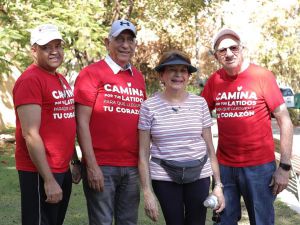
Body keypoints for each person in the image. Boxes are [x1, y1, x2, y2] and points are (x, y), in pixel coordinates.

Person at [201, 28, 294, 225]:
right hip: (225, 168)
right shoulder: (214, 81)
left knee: (261, 221)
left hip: (260, 169)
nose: (228, 53)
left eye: (233, 47)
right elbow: (198, 116)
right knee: (223, 220)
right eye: (222, 50)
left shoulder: (262, 76)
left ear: (241, 48)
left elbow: (285, 120)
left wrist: (284, 167)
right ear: (216, 56)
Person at [138, 50, 225, 225]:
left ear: (188, 76)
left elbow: (210, 148)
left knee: (197, 222)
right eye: (172, 70)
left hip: (199, 174)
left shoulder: (200, 103)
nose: (178, 75)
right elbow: (143, 153)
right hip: (164, 176)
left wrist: (218, 185)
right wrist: (147, 192)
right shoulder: (148, 107)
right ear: (162, 75)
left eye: (183, 70)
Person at [74, 19, 146, 225]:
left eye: (130, 40)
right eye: (119, 39)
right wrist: (92, 165)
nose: (125, 45)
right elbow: (81, 123)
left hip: (131, 167)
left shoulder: (138, 78)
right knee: (102, 222)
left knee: (128, 222)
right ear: (107, 42)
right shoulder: (90, 74)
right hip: (102, 165)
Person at [13, 24, 80, 225]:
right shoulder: (30, 80)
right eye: (46, 47)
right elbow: (30, 134)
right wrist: (49, 180)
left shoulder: (60, 78)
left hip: (61, 168)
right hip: (39, 172)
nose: (54, 51)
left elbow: (65, 121)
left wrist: (74, 161)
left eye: (58, 45)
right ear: (33, 50)